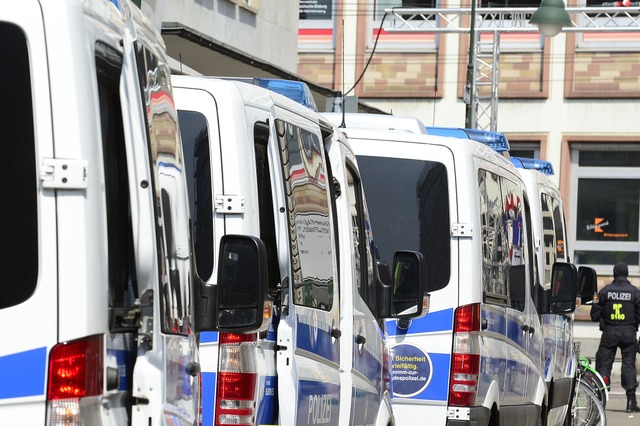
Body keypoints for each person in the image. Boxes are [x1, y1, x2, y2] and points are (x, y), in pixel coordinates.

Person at [590, 261, 640, 413]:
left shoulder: (605, 291)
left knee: (604, 364)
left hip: (609, 332)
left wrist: (604, 318)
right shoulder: (635, 292)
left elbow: (594, 315)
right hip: (628, 333)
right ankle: (631, 402)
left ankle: (600, 399)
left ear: (614, 274)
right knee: (629, 365)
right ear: (626, 274)